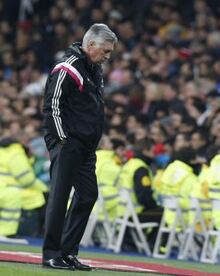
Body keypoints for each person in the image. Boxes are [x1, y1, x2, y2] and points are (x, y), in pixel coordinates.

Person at [41, 23, 117, 270]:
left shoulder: (93, 69)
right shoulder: (68, 67)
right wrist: (62, 140)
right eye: (105, 51)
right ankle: (51, 254)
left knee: (87, 195)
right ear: (90, 45)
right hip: (68, 141)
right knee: (60, 196)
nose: (107, 56)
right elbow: (52, 106)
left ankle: (67, 252)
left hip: (85, 146)